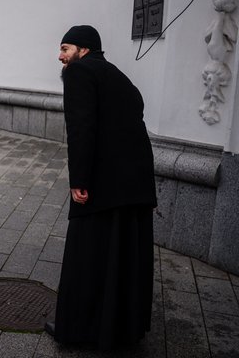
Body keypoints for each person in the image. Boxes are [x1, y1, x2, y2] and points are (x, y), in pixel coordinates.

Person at [47, 25, 157, 350]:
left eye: (65, 48)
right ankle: (120, 329)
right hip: (133, 184)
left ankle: (79, 329)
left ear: (82, 50)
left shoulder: (79, 72)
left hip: (103, 185)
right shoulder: (117, 76)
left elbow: (81, 127)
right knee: (122, 256)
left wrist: (79, 180)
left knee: (90, 254)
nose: (60, 56)